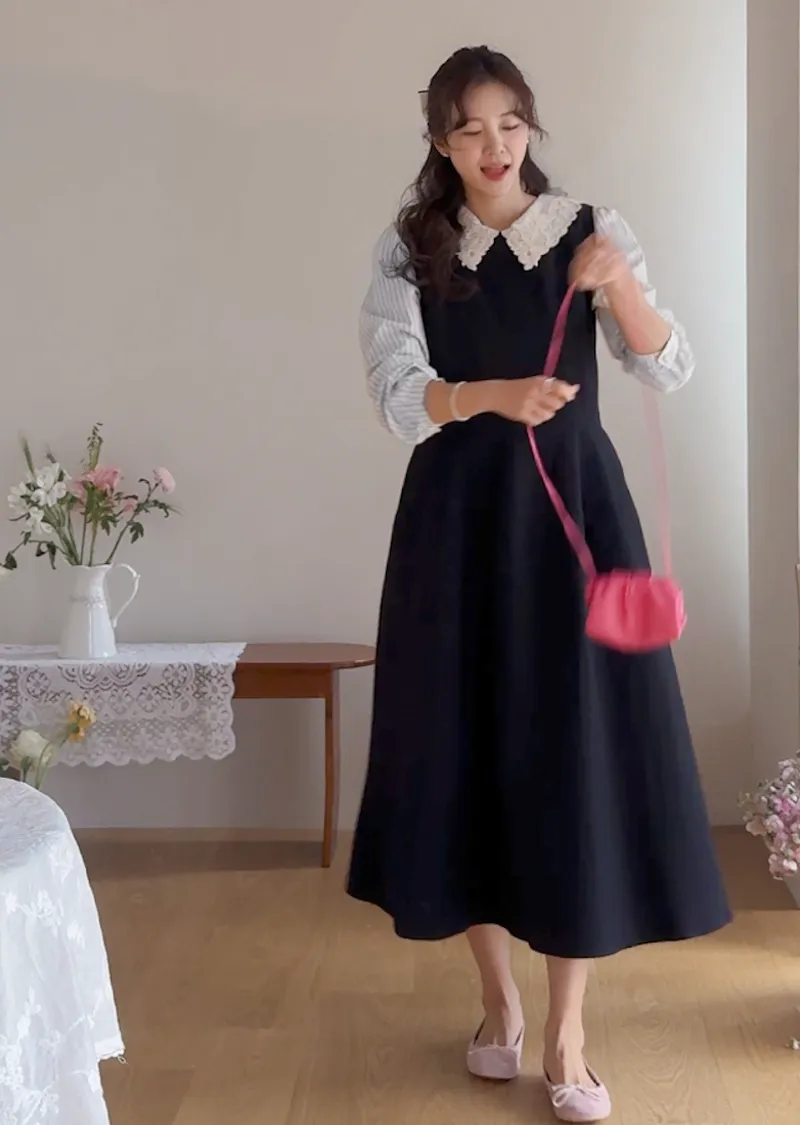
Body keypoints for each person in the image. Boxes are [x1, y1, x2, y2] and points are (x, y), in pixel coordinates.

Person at [347, 45, 731, 1123]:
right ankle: (498, 1004)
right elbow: (396, 393)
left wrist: (623, 285)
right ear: (439, 140)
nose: (493, 146)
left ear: (530, 127)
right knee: (463, 743)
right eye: (469, 128)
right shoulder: (409, 247)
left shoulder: (588, 229)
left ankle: (567, 1032)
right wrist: (490, 394)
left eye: (509, 123)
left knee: (577, 751)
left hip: (573, 520)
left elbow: (665, 363)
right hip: (457, 524)